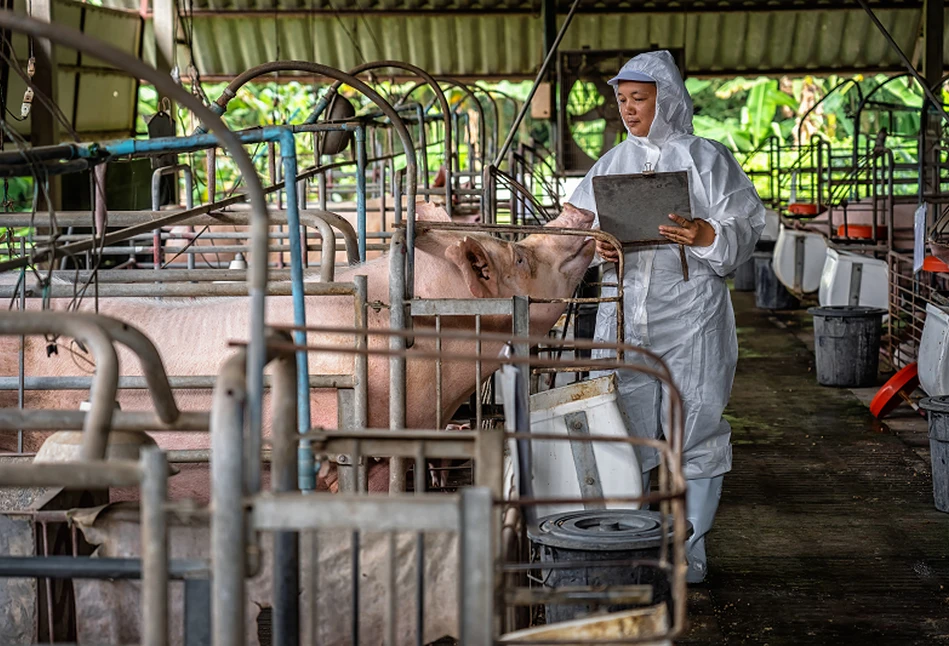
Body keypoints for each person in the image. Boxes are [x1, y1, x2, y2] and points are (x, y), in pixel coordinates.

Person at [566, 50, 765, 583]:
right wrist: (598, 248)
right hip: (625, 314)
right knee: (625, 424)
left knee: (694, 422)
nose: (628, 110)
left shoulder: (706, 158)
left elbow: (745, 224)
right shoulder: (611, 163)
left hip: (691, 311)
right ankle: (635, 541)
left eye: (639, 98)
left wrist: (707, 234)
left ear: (667, 98)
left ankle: (689, 549)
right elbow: (580, 233)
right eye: (623, 100)